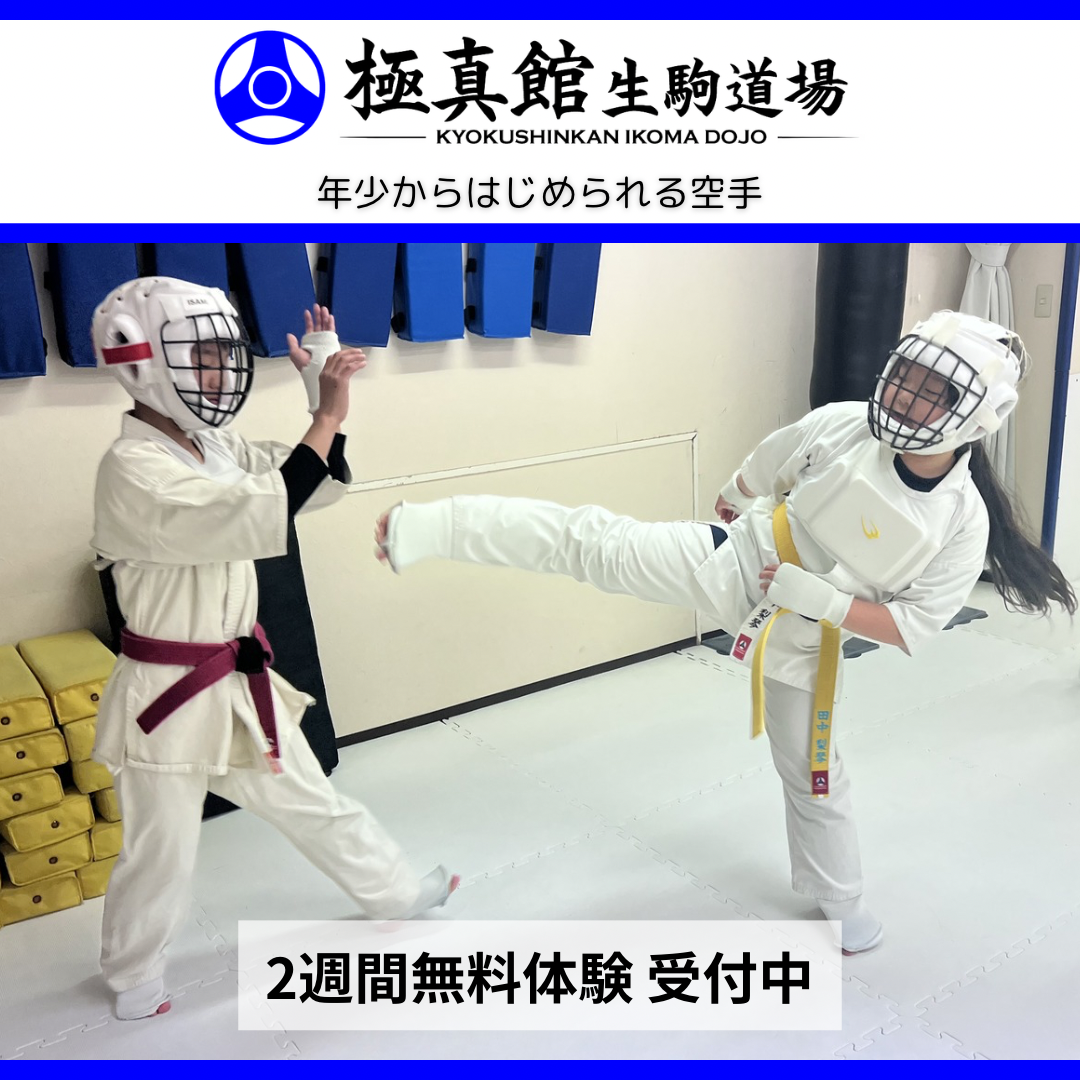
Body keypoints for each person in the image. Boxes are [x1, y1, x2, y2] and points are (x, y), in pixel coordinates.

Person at [372, 310, 1075, 956]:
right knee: (591, 542)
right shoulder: (844, 425)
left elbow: (911, 625)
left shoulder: (961, 522)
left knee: (815, 778)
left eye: (932, 391)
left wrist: (824, 601)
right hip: (733, 562)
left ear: (975, 417)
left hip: (807, 637)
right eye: (907, 375)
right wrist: (738, 496)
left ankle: (842, 901)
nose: (906, 396)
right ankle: (430, 527)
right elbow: (770, 461)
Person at [89, 277, 459, 1021]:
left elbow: (305, 487)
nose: (218, 374)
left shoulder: (214, 445)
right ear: (140, 361)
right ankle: (133, 977)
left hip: (235, 684)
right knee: (161, 849)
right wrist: (324, 414)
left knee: (313, 799)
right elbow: (264, 505)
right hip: (167, 697)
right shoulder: (133, 468)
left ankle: (392, 893)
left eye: (222, 357)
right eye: (201, 357)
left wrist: (321, 398)